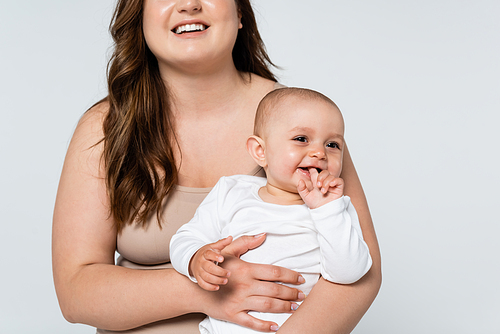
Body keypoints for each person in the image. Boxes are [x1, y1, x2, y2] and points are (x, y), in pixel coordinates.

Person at [52, 0, 381, 333]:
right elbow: (76, 292)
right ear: (139, 15)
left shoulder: (303, 123)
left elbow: (359, 274)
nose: (189, 4)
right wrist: (204, 290)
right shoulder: (104, 127)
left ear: (240, 13)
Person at [170, 87, 373, 333]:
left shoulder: (334, 208)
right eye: (301, 139)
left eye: (332, 144)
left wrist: (326, 209)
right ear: (260, 151)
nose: (320, 153)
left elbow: (349, 273)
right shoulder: (231, 191)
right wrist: (195, 259)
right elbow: (185, 238)